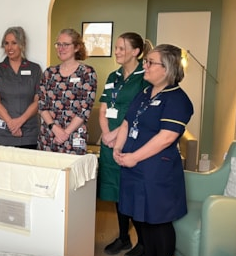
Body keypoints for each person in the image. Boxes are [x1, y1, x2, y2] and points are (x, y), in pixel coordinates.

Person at [113, 44, 193, 256]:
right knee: (142, 219)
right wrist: (119, 148)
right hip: (133, 168)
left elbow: (166, 137)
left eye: (150, 62)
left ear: (167, 68)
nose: (145, 66)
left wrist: (134, 157)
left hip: (156, 173)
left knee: (158, 223)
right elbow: (127, 123)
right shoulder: (144, 93)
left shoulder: (177, 99)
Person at [97, 32, 152, 256]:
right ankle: (123, 237)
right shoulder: (113, 76)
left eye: (121, 48)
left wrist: (116, 134)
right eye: (116, 47)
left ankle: (143, 242)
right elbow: (103, 108)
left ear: (136, 52)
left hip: (132, 141)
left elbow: (142, 112)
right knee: (116, 192)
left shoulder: (145, 77)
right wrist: (106, 134)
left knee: (132, 191)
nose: (117, 52)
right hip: (110, 141)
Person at [37, 28, 97, 154]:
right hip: (49, 135)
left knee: (72, 173)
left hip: (74, 137)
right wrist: (54, 128)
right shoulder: (49, 73)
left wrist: (65, 133)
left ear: (76, 47)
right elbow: (42, 106)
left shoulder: (87, 73)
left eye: (66, 44)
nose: (61, 48)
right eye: (58, 44)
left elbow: (85, 109)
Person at [0, 26, 42, 149]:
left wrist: (19, 121)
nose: (9, 48)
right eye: (6, 43)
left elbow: (38, 100)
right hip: (4, 131)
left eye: (14, 43)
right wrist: (11, 123)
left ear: (22, 44)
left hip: (29, 131)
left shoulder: (35, 69)